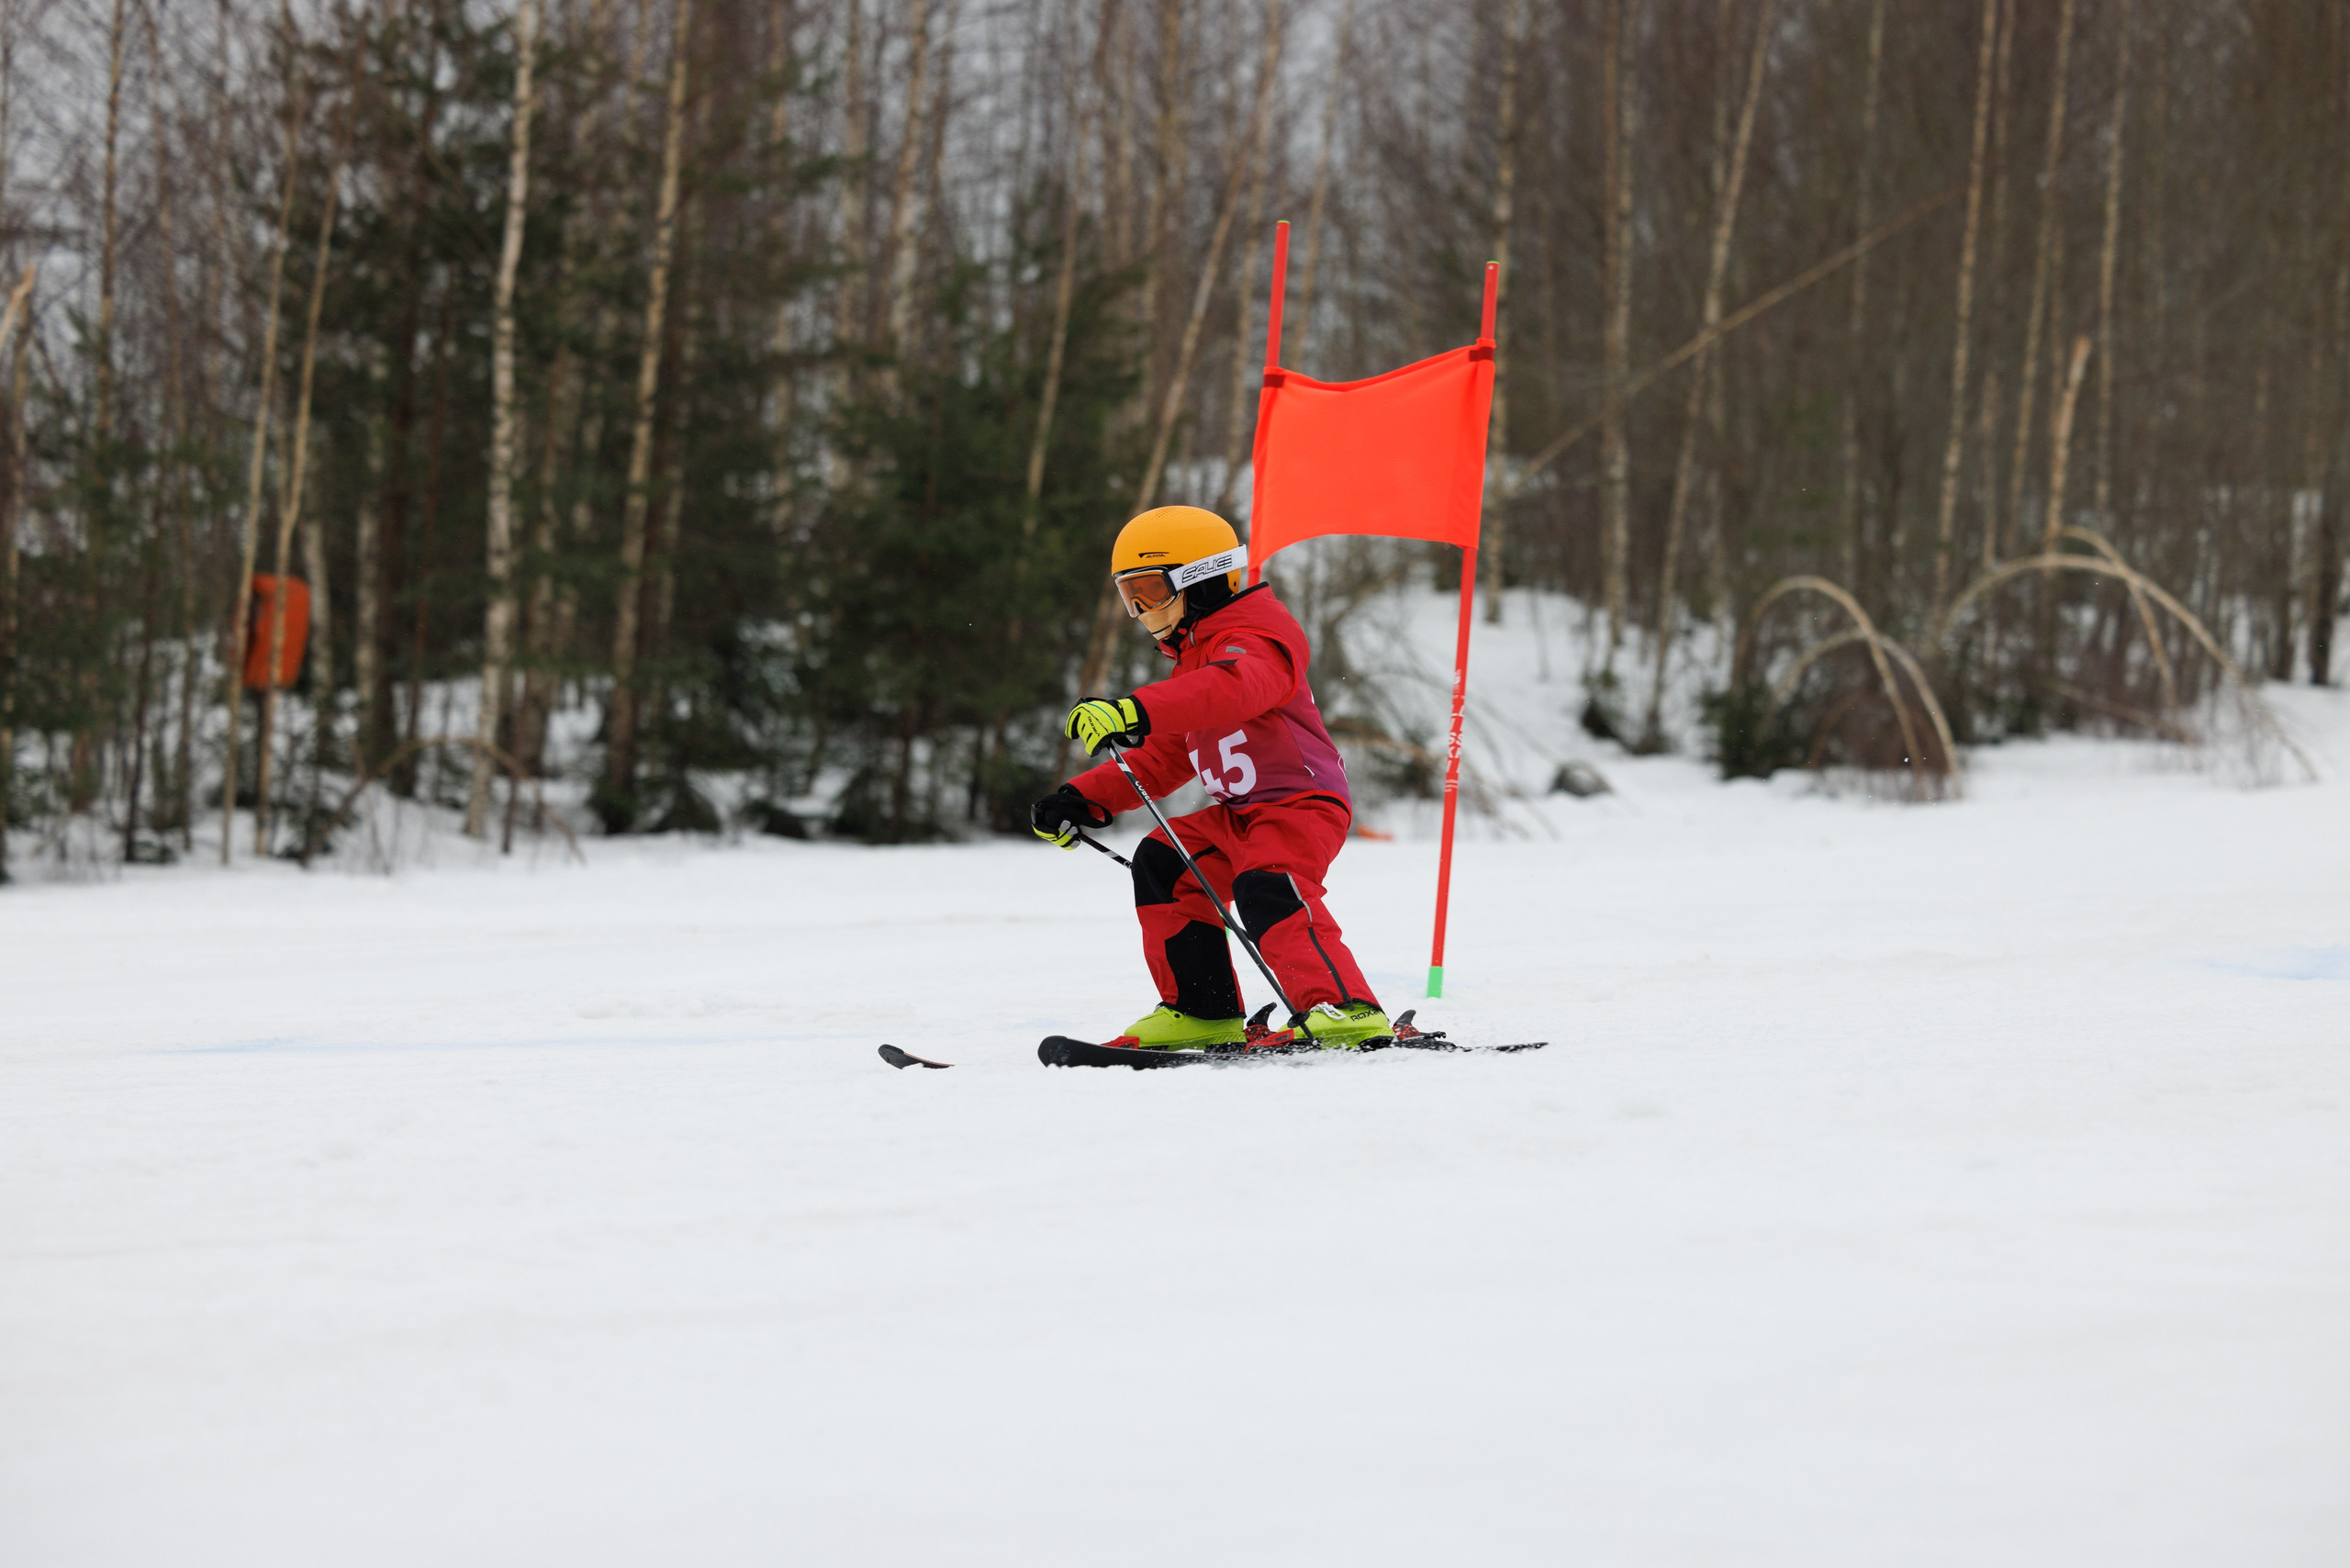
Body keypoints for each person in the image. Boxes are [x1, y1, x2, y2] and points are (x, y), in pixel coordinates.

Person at [1030, 505, 1392, 1050]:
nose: (1140, 610)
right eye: (1130, 597)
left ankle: (1343, 1009)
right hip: (1238, 815)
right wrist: (1080, 799)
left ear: (1198, 580)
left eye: (1150, 591)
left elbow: (1238, 686)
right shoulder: (1193, 661)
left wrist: (1134, 708)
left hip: (1300, 805)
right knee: (1163, 862)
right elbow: (1165, 758)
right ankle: (1202, 1010)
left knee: (1267, 884)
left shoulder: (1259, 636)